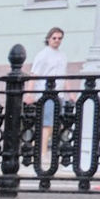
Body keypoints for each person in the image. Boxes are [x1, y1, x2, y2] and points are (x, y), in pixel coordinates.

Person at [30, 26, 70, 165]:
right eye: (54, 38)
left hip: (59, 94)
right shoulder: (43, 55)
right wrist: (30, 93)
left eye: (59, 38)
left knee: (55, 125)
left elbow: (64, 76)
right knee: (47, 125)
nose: (57, 41)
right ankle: (42, 153)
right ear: (48, 39)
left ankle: (43, 149)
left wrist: (70, 93)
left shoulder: (62, 55)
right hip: (45, 93)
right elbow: (34, 74)